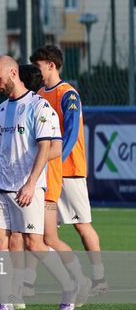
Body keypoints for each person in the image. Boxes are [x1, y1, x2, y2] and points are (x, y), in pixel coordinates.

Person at [0, 56, 77, 310]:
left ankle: (69, 286)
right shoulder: (1, 110)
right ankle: (6, 305)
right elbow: (4, 148)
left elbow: (47, 148)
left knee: (34, 244)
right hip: (0, 185)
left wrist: (31, 183)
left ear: (13, 73)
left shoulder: (40, 107)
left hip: (28, 187)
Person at [30, 45, 103, 295]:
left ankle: (99, 278)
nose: (36, 71)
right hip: (47, 173)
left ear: (51, 66)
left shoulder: (68, 94)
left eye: (38, 66)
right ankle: (28, 282)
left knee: (82, 225)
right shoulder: (40, 93)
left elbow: (70, 135)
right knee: (39, 231)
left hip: (69, 171)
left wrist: (56, 161)